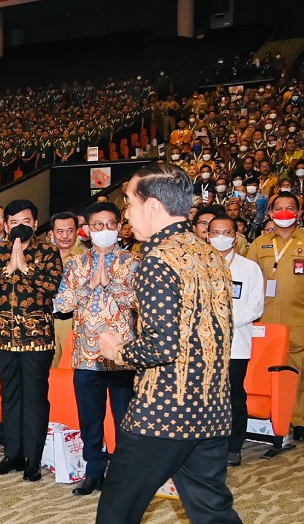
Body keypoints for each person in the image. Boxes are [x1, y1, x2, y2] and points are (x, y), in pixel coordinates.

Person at [96, 163, 240, 524]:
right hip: (212, 409)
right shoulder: (210, 255)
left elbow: (161, 346)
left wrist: (117, 351)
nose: (126, 214)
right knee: (211, 510)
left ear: (153, 207)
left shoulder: (158, 259)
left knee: (117, 509)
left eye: (129, 202)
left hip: (163, 413)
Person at [55, 202, 139, 495]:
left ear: (119, 226)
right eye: (98, 225)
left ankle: (126, 473)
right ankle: (93, 471)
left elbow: (138, 303)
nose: (105, 230)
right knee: (90, 419)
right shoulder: (76, 264)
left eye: (111, 224)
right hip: (85, 355)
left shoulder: (132, 262)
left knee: (125, 418)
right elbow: (61, 305)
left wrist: (112, 284)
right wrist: (88, 287)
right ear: (87, 230)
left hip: (121, 357)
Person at [0, 199, 62, 482]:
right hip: (3, 338)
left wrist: (24, 267)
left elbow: (52, 287)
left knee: (35, 399)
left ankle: (33, 460)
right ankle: (11, 454)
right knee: (10, 396)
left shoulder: (48, 251)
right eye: (13, 223)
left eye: (25, 222)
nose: (19, 227)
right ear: (7, 225)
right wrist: (7, 268)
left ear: (36, 224)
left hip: (37, 339)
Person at [247, 192, 304, 441]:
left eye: (289, 208)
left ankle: (299, 419)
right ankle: (269, 416)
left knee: (299, 370)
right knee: (265, 370)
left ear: (299, 213)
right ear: (270, 213)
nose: (284, 212)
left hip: (300, 317)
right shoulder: (259, 244)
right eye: (278, 208)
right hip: (264, 320)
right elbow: (248, 281)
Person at [207, 216, 264, 466]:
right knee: (205, 395)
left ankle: (233, 446)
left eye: (226, 232)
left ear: (236, 234)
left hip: (236, 344)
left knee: (233, 395)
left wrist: (225, 323)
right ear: (207, 235)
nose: (221, 237)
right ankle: (207, 443)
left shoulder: (248, 268)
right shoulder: (197, 266)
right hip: (203, 344)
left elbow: (255, 306)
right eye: (215, 232)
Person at [49, 211, 84, 367]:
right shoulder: (43, 258)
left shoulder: (85, 258)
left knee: (70, 369)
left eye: (70, 231)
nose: (65, 236)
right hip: (46, 321)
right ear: (51, 233)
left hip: (73, 321)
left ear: (77, 232)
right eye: (60, 231)